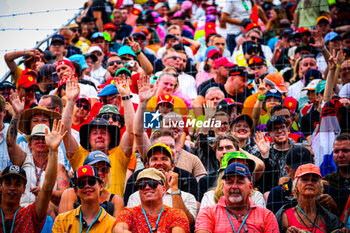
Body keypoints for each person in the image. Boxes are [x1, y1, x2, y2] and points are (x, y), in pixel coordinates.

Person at [62, 76, 135, 197]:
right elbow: (65, 132)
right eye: (95, 133)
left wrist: (126, 98)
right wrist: (70, 101)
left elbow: (131, 131)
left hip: (114, 212)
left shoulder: (119, 155)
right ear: (88, 138)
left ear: (111, 137)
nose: (99, 136)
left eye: (103, 132)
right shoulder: (79, 155)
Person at [0, 119, 63, 232]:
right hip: (20, 207)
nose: (41, 141)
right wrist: (17, 114)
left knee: (47, 207)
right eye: (36, 138)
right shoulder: (23, 159)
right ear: (29, 144)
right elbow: (10, 143)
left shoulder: (57, 166)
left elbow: (55, 188)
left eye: (44, 138)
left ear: (24, 188)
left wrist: (43, 193)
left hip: (38, 212)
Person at [195, 162, 279, 232]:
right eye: (230, 182)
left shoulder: (266, 216)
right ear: (223, 187)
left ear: (250, 187)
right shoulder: (209, 213)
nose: (234, 186)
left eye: (240, 182)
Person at [114, 168, 190, 233]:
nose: (147, 187)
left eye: (153, 183)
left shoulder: (176, 214)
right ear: (139, 190)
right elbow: (118, 229)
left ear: (163, 189)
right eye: (142, 185)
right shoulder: (129, 213)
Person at [277, 163, 347, 232]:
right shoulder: (285, 216)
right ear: (296, 186)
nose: (310, 183)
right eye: (304, 179)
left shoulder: (329, 219)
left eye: (314, 180)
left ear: (320, 187)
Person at [59, 151, 124, 217]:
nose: (100, 173)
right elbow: (64, 225)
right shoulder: (70, 194)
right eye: (95, 169)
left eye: (104, 169)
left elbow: (116, 226)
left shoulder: (115, 200)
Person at [53, 165, 116, 232]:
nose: (87, 186)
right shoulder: (61, 220)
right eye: (81, 184)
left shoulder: (112, 224)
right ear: (76, 190)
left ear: (101, 186)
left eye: (91, 182)